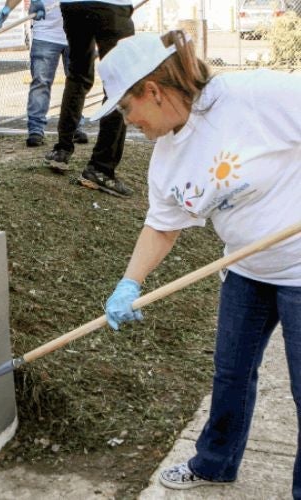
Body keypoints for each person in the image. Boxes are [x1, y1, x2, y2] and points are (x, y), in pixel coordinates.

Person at [95, 31, 301, 497]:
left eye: (127, 109)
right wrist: (129, 283)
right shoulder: (167, 157)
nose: (130, 122)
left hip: (299, 271)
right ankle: (213, 463)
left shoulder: (254, 97)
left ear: (152, 91)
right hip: (247, 272)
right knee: (230, 374)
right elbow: (163, 227)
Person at [43, 0, 134, 198]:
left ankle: (62, 149)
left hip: (74, 6)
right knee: (119, 84)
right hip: (111, 6)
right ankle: (101, 167)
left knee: (78, 75)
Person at [0, 0, 88, 147]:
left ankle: (75, 127)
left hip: (78, 33)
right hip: (45, 34)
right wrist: (7, 9)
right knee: (40, 83)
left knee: (77, 84)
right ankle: (36, 130)